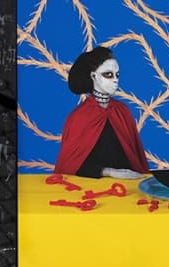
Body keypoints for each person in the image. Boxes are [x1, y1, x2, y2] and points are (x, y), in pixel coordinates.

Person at [53, 46, 150, 178]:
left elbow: (134, 159)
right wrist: (109, 172)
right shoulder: (78, 117)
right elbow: (70, 167)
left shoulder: (122, 111)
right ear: (93, 76)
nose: (115, 79)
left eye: (117, 75)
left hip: (126, 185)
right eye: (108, 74)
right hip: (89, 188)